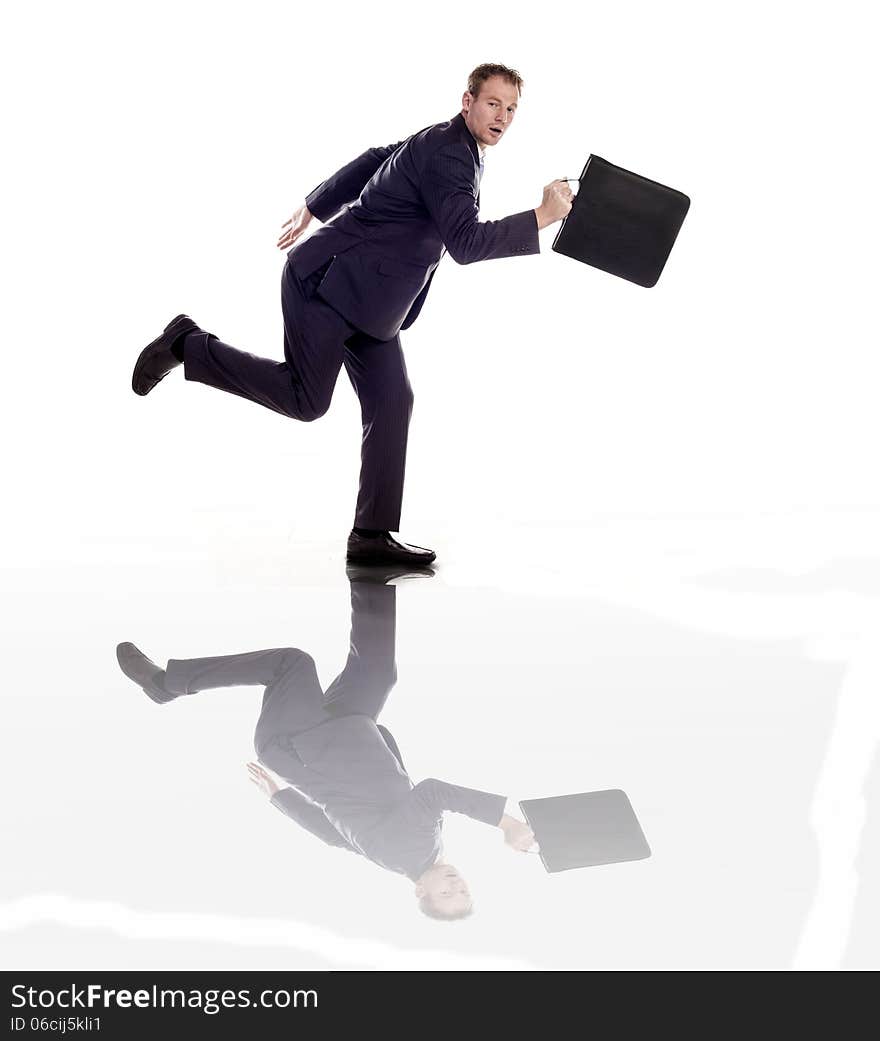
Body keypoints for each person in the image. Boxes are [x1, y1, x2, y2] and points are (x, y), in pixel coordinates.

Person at [131, 63, 574, 566]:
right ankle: (187, 344)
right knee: (306, 400)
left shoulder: (450, 143)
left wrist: (314, 205)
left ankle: (372, 535)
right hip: (326, 283)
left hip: (375, 300)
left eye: (512, 109)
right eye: (494, 103)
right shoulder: (449, 155)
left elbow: (376, 159)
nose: (503, 117)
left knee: (392, 400)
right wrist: (542, 217)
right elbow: (467, 244)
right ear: (467, 101)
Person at [115, 569, 536, 920]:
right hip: (343, 730)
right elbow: (332, 835)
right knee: (376, 671)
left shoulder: (412, 849)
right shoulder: (403, 855)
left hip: (301, 742)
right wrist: (280, 796)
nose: (457, 885)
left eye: (447, 895)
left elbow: (431, 793)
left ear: (420, 893)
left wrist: (507, 822)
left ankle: (166, 685)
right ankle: (373, 575)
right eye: (464, 890)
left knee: (292, 663)